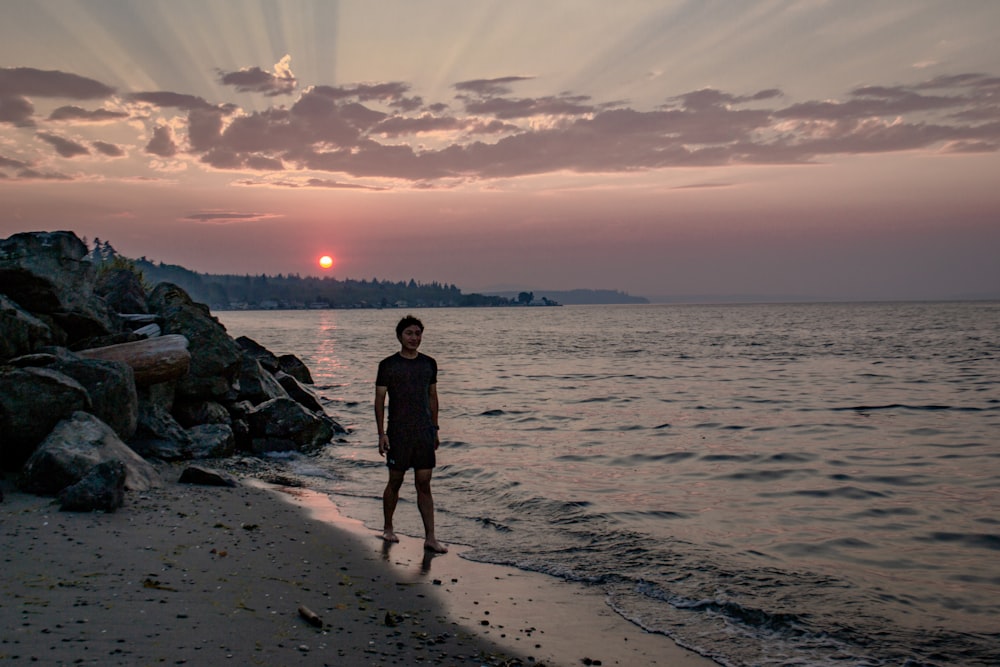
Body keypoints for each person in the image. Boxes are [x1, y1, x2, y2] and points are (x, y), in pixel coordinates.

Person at [374, 315, 447, 553]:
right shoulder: (388, 365)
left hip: (424, 432)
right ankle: (388, 528)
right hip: (398, 432)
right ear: (399, 336)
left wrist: (435, 428)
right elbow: (379, 400)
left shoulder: (429, 363)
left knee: (424, 483)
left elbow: (433, 397)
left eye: (418, 333)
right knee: (395, 480)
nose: (414, 338)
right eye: (409, 333)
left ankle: (431, 538)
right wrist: (381, 434)